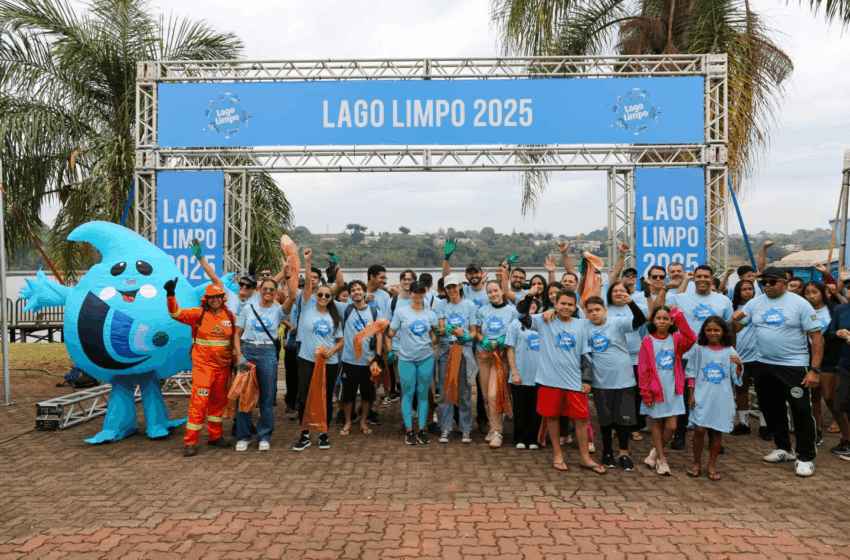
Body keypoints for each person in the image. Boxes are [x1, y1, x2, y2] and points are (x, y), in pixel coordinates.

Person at [731, 266, 824, 478]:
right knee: (772, 410)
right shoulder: (755, 303)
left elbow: (817, 337)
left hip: (794, 366)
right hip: (763, 363)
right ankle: (784, 449)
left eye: (772, 282)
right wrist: (733, 321)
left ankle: (805, 457)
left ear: (783, 281)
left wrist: (814, 370)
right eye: (763, 282)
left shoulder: (799, 304)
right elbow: (736, 329)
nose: (767, 285)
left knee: (800, 411)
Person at [532, 288, 605, 474]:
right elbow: (523, 317)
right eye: (562, 303)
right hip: (549, 381)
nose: (566, 307)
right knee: (552, 417)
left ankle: (585, 457)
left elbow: (586, 354)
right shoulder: (544, 320)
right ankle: (558, 454)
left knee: (581, 418)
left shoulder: (582, 325)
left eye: (570, 304)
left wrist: (587, 379)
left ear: (575, 307)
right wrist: (544, 310)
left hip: (574, 382)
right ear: (555, 304)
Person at [165, 282, 237, 457]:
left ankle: (215, 436)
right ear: (207, 299)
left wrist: (235, 364)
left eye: (217, 297)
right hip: (203, 369)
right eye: (211, 297)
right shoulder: (198, 313)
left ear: (222, 298)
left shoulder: (229, 316)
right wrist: (170, 294)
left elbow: (233, 343)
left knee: (217, 404)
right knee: (199, 404)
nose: (215, 300)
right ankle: (191, 441)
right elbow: (175, 313)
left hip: (223, 369)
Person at [668, 265, 734, 449]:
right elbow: (666, 321)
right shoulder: (679, 299)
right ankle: (680, 433)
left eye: (706, 276)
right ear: (693, 278)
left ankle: (714, 436)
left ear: (712, 279)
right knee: (681, 396)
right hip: (686, 355)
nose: (702, 279)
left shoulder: (723, 301)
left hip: (713, 355)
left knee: (711, 395)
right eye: (699, 276)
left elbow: (728, 328)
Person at [584, 294, 647, 471]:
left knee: (624, 420)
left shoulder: (617, 323)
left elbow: (639, 320)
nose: (594, 314)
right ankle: (607, 452)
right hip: (601, 383)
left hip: (625, 380)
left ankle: (624, 453)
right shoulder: (584, 327)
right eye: (590, 311)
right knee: (605, 421)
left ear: (605, 310)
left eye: (597, 310)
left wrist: (631, 303)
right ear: (586, 314)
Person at [233, 277, 296, 452]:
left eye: (272, 290)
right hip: (248, 351)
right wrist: (239, 355)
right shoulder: (248, 309)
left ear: (276, 292)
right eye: (265, 289)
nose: (268, 292)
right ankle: (243, 436)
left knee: (267, 397)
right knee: (244, 395)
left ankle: (264, 435)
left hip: (267, 352)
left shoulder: (278, 311)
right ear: (259, 291)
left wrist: (288, 276)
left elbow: (292, 296)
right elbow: (237, 334)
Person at [293, 249, 344, 452]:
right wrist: (307, 261)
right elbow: (306, 284)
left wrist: (332, 352)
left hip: (329, 362)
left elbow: (341, 341)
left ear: (331, 298)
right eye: (320, 294)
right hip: (307, 359)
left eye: (327, 295)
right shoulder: (307, 306)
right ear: (315, 294)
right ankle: (304, 434)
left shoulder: (334, 316)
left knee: (325, 398)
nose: (323, 297)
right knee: (304, 397)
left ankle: (324, 433)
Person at [638, 305, 697, 476]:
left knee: (671, 426)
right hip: (655, 391)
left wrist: (679, 315)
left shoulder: (677, 339)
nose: (662, 322)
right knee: (657, 423)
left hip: (674, 390)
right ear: (653, 321)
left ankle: (655, 453)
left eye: (666, 318)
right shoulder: (647, 341)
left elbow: (692, 338)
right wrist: (645, 393)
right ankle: (661, 459)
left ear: (671, 321)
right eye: (659, 318)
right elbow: (643, 370)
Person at [686, 317, 743, 480]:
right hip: (701, 395)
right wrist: (691, 394)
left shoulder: (730, 350)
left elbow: (736, 377)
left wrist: (739, 365)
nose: (713, 333)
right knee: (699, 430)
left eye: (717, 330)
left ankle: (712, 464)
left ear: (723, 331)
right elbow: (690, 371)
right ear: (704, 331)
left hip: (722, 397)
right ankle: (696, 462)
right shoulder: (699, 348)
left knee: (717, 431)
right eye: (709, 329)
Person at [385, 280, 439, 445]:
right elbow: (391, 333)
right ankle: (409, 430)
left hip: (425, 359)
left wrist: (440, 333)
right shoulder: (401, 312)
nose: (418, 294)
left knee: (423, 396)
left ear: (425, 293)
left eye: (421, 291)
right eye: (415, 291)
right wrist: (380, 328)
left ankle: (422, 429)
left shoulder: (431, 314)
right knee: (407, 396)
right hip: (406, 359)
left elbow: (435, 338)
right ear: (411, 293)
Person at [475, 273, 519, 449]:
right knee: (486, 396)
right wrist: (481, 340)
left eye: (495, 290)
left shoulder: (512, 311)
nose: (493, 294)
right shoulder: (483, 310)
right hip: (484, 357)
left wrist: (504, 341)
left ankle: (497, 432)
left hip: (502, 357)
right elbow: (477, 331)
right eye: (489, 292)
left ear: (502, 291)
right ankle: (493, 428)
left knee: (495, 394)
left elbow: (516, 333)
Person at [434, 274, 479, 444]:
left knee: (464, 391)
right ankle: (446, 428)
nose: (452, 290)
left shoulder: (469, 305)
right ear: (445, 290)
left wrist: (467, 337)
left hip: (464, 350)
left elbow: (473, 331)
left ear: (460, 286)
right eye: (448, 288)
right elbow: (440, 329)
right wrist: (448, 330)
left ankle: (466, 428)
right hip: (446, 351)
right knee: (446, 391)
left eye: (454, 286)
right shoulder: (440, 305)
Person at [337, 280, 383, 438]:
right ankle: (348, 421)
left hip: (368, 360)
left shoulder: (374, 311)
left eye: (358, 289)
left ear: (364, 292)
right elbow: (332, 290)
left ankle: (363, 421)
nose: (356, 292)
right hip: (349, 360)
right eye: (353, 290)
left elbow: (379, 333)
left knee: (367, 394)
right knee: (348, 395)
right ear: (349, 294)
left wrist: (377, 356)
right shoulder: (346, 309)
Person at [606, 281, 651, 440]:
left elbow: (650, 314)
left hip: (635, 357)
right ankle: (614, 426)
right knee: (614, 393)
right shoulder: (605, 309)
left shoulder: (636, 307)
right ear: (609, 293)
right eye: (615, 291)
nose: (618, 294)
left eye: (622, 291)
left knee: (635, 394)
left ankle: (634, 426)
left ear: (629, 293)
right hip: (613, 358)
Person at [729, 280, 770, 440]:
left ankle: (764, 424)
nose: (747, 292)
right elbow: (732, 330)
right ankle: (744, 423)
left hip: (760, 355)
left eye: (750, 289)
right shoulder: (734, 310)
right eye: (744, 289)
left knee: (763, 392)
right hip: (740, 355)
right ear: (738, 292)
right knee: (741, 389)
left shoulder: (760, 307)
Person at [506, 292, 542, 449]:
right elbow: (510, 349)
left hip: (539, 375)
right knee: (520, 408)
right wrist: (514, 372)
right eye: (529, 302)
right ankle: (520, 438)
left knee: (536, 409)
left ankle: (533, 438)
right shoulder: (515, 324)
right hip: (520, 373)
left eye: (535, 302)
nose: (532, 304)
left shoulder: (542, 322)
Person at [804, 281, 836, 447]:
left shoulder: (833, 310)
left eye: (814, 292)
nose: (811, 296)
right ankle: (817, 431)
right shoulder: (803, 311)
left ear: (823, 293)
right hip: (809, 358)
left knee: (830, 397)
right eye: (807, 293)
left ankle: (841, 424)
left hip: (831, 358)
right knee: (813, 398)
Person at [825, 300, 850, 460]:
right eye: (848, 287)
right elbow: (830, 332)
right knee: (844, 405)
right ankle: (847, 442)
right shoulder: (840, 309)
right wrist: (838, 333)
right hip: (845, 364)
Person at [441, 238, 489, 309]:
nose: (474, 275)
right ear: (466, 276)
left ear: (481, 274)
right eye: (470, 273)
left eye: (476, 272)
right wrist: (447, 258)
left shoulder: (490, 291)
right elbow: (447, 279)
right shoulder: (464, 290)